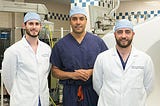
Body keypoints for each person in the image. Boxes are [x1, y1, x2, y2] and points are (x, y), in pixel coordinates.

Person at [50, 6, 108, 106]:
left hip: (93, 91)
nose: (78, 22)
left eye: (81, 19)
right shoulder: (60, 45)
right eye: (74, 19)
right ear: (70, 21)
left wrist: (91, 72)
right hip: (70, 93)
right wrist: (73, 75)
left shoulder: (98, 42)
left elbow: (107, 66)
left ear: (86, 21)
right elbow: (54, 72)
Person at [93, 19, 154, 106]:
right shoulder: (102, 58)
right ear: (114, 34)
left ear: (133, 34)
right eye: (120, 32)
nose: (124, 36)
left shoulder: (145, 59)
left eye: (127, 32)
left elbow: (148, 87)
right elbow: (97, 85)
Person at [2, 12, 51, 106]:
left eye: (37, 24)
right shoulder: (13, 50)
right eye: (30, 23)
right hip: (23, 101)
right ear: (24, 26)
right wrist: (17, 94)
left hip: (42, 99)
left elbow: (45, 72)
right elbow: (8, 78)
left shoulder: (46, 49)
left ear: (40, 27)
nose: (34, 27)